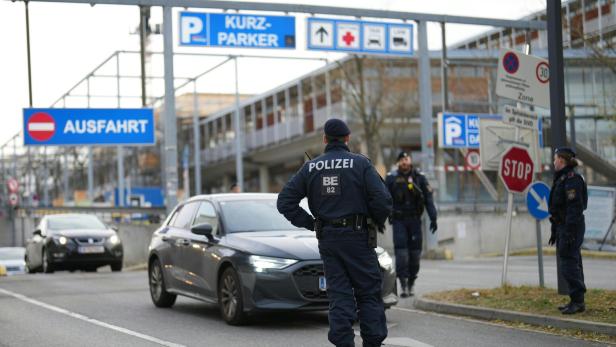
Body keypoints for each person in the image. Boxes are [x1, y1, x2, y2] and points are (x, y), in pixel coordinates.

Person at [277, 118, 392, 347]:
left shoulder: (311, 167)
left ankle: (343, 343)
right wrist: (375, 221)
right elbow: (382, 199)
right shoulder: (360, 164)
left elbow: (284, 202)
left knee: (339, 295)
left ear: (324, 139)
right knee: (368, 293)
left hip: (329, 240)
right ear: (347, 139)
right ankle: (373, 343)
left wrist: (312, 224)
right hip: (359, 237)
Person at [385, 151, 437, 297]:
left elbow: (428, 199)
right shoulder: (391, 178)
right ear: (398, 163)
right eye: (401, 160)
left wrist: (433, 218)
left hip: (415, 221)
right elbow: (382, 199)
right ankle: (403, 284)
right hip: (399, 221)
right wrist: (379, 218)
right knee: (401, 254)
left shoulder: (419, 178)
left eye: (406, 159)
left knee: (415, 254)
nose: (404, 162)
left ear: (410, 161)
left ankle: (411, 281)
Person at [548, 147, 588, 315]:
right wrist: (555, 230)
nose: (553, 161)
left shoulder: (572, 180)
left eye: (555, 158)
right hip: (563, 227)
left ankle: (578, 301)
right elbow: (558, 207)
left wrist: (570, 232)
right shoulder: (562, 178)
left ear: (562, 160)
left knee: (569, 264)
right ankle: (576, 300)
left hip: (571, 227)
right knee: (571, 263)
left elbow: (574, 208)